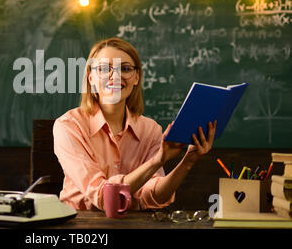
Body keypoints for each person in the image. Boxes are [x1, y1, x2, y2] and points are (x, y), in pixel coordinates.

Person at [53, 37, 217, 210]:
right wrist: (157, 160)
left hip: (133, 223)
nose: (115, 76)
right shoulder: (69, 126)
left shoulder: (150, 129)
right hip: (81, 225)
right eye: (103, 69)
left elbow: (152, 196)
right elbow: (104, 197)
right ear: (91, 78)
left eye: (124, 68)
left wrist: (188, 161)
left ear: (136, 78)